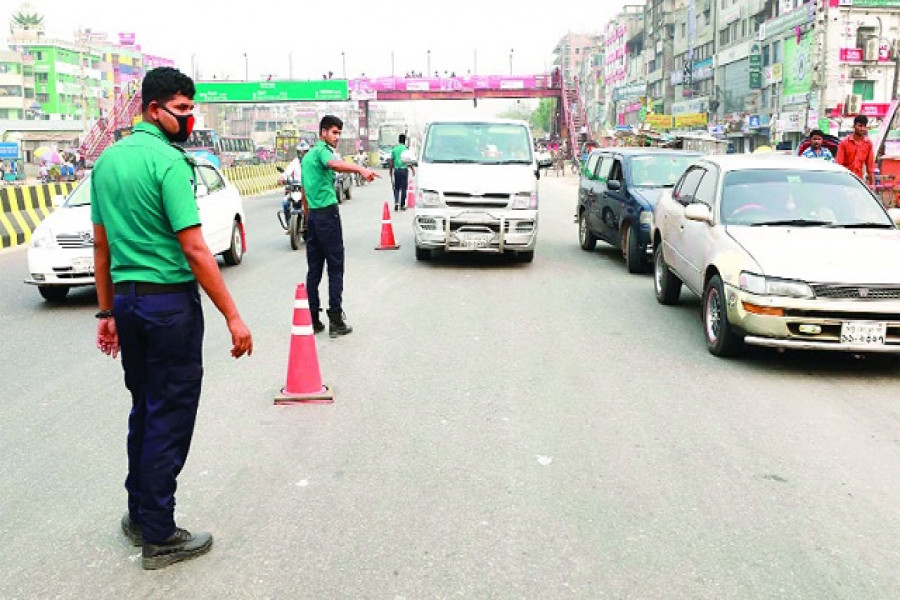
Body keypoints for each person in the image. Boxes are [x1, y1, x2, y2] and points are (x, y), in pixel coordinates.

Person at [90, 66, 253, 570]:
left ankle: (139, 513)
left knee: (144, 407)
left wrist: (106, 310)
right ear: (153, 108)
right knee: (170, 414)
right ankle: (160, 534)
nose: (188, 119)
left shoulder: (108, 161)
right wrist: (233, 316)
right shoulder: (169, 163)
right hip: (167, 307)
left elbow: (101, 247)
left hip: (129, 303)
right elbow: (196, 249)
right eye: (182, 111)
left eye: (190, 110)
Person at [301, 115, 378, 337]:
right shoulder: (323, 151)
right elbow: (333, 164)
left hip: (314, 217)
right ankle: (335, 319)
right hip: (327, 215)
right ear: (323, 132)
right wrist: (360, 169)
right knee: (335, 268)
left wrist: (308, 221)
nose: (336, 137)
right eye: (334, 133)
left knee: (314, 271)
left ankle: (313, 319)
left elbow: (305, 192)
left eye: (339, 134)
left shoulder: (306, 158)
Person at [836, 114, 875, 187]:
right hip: (845, 180)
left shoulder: (868, 144)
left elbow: (870, 167)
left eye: (864, 126)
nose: (862, 129)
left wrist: (872, 185)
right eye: (860, 126)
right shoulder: (844, 143)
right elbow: (839, 165)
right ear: (854, 126)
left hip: (859, 181)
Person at [281, 140, 309, 228]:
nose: (302, 154)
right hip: (296, 189)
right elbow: (287, 172)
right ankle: (289, 224)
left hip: (308, 189)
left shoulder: (312, 162)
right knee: (285, 202)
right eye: (300, 152)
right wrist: (282, 178)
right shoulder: (295, 162)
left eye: (304, 152)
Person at [390, 134, 415, 211]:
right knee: (404, 188)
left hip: (397, 170)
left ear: (399, 140)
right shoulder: (406, 150)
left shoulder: (394, 149)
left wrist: (391, 171)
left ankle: (396, 202)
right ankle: (402, 205)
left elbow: (392, 161)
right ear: (404, 141)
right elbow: (408, 162)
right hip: (404, 171)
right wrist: (412, 169)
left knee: (396, 187)